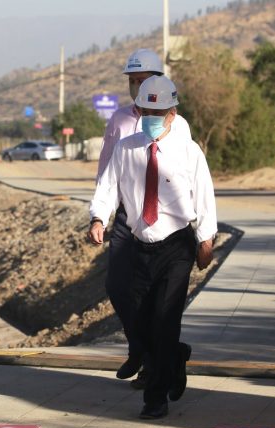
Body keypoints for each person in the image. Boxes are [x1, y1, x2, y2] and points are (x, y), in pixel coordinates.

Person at [89, 75, 216, 419]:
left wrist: (206, 240)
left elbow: (204, 198)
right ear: (140, 110)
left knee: (165, 317)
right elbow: (108, 188)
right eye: (147, 110)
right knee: (142, 321)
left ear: (173, 113)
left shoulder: (188, 152)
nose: (153, 116)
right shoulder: (126, 149)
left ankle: (155, 397)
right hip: (139, 246)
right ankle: (174, 357)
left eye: (160, 111)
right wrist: (98, 218)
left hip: (176, 246)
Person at [96, 48, 193, 389]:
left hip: (164, 224)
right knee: (118, 287)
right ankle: (140, 348)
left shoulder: (177, 124)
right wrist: (99, 214)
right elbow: (107, 168)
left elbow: (188, 171)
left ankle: (157, 364)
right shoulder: (119, 120)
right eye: (132, 81)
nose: (136, 86)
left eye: (143, 80)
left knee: (153, 299)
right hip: (127, 216)